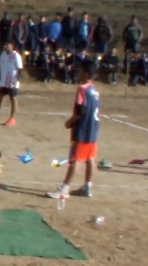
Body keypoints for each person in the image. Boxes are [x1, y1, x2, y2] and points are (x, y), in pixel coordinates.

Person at [48, 60, 101, 200]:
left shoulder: (82, 89)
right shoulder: (95, 90)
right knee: (90, 158)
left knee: (75, 159)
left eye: (80, 70)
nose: (78, 73)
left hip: (82, 130)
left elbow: (80, 111)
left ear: (86, 73)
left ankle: (64, 189)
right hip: (93, 130)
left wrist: (69, 122)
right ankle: (87, 186)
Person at [0, 41, 23, 126]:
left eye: (7, 45)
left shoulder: (16, 55)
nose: (6, 47)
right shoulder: (3, 55)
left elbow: (20, 69)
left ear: (12, 46)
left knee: (13, 99)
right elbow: (2, 68)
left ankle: (12, 118)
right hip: (3, 81)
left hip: (12, 82)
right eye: (5, 45)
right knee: (0, 99)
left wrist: (16, 79)